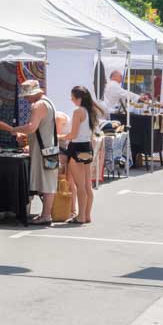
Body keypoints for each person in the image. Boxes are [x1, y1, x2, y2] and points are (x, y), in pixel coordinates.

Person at [15, 79, 58, 225]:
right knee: (48, 181)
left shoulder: (38, 105)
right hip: (49, 147)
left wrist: (15, 130)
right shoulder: (48, 102)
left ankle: (46, 215)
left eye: (27, 96)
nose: (26, 99)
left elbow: (31, 127)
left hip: (42, 149)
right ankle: (46, 214)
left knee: (46, 182)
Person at [60, 86, 104, 224]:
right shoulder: (90, 111)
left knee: (80, 186)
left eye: (72, 97)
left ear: (79, 98)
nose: (71, 99)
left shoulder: (78, 111)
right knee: (87, 185)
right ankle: (86, 215)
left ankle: (80, 216)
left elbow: (73, 134)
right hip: (86, 147)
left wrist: (59, 136)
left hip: (77, 147)